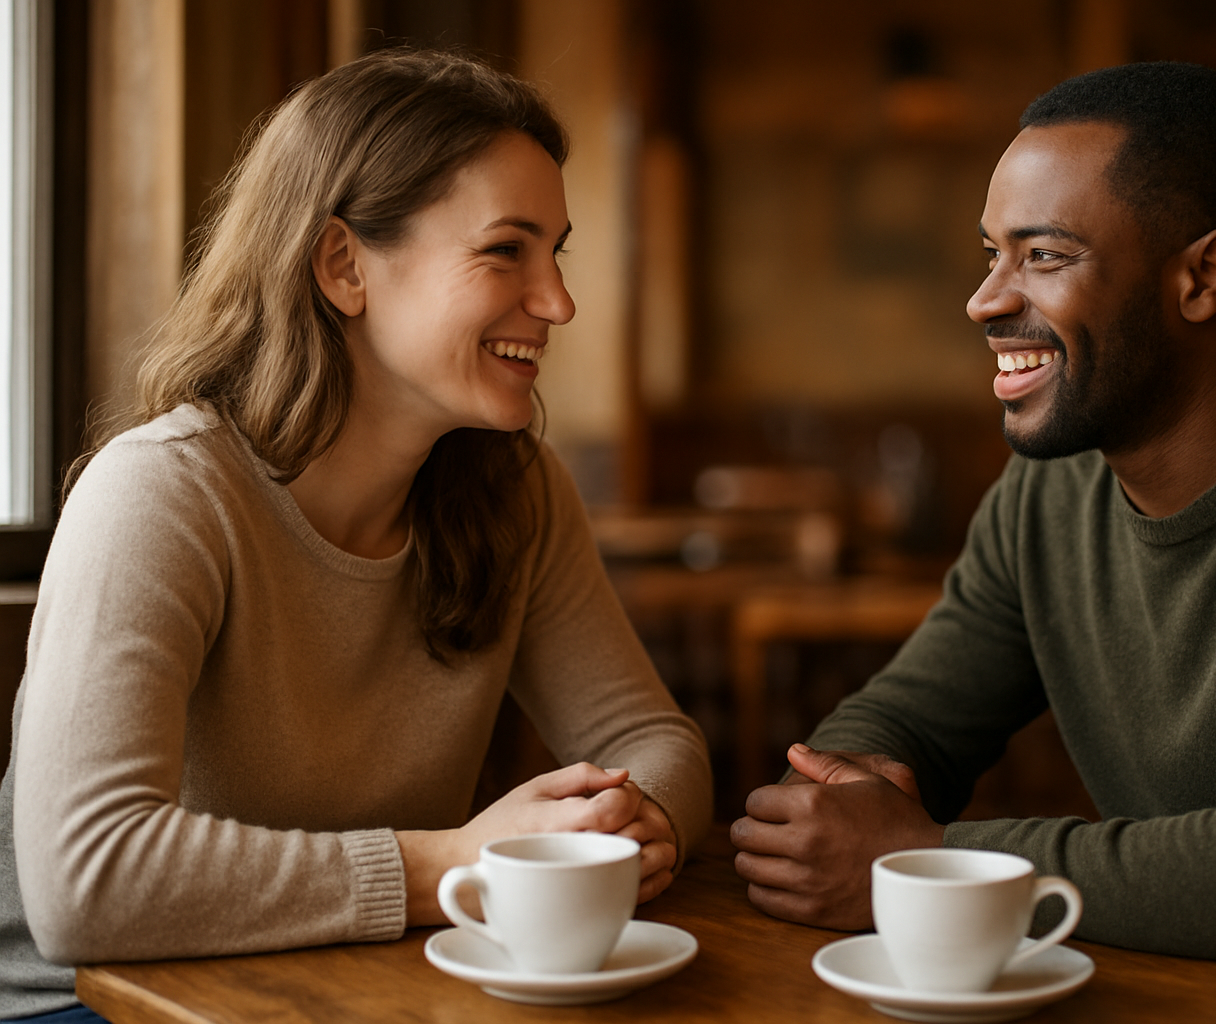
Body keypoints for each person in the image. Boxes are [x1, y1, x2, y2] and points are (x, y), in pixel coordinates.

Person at [731, 62, 1216, 1022]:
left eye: (1044, 256)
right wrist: (841, 800)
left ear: (1204, 277)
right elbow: (904, 719)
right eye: (990, 253)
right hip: (1204, 996)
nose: (986, 300)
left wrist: (928, 861)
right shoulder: (1047, 495)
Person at [0, 49, 712, 1021]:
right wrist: (452, 864)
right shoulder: (162, 493)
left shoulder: (518, 494)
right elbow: (87, 883)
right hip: (81, 1004)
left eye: (558, 253)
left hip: (350, 987)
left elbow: (654, 738)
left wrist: (637, 819)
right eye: (507, 250)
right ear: (344, 266)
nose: (557, 302)